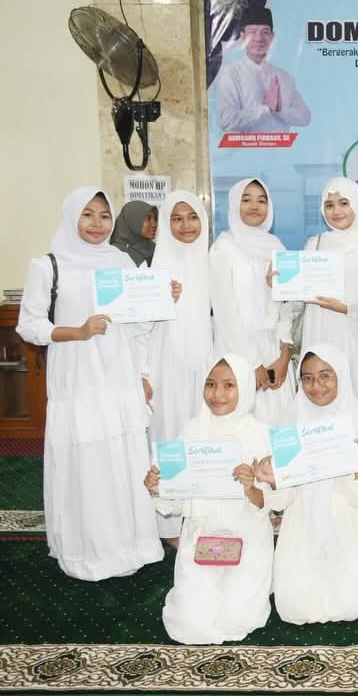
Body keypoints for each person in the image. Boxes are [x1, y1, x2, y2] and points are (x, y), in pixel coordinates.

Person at [16, 187, 163, 581]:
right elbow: (30, 326)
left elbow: (139, 326)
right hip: (77, 377)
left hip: (120, 376)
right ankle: (88, 551)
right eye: (87, 214)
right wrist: (78, 332)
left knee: (122, 457)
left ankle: (129, 546)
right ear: (71, 216)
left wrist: (144, 373)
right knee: (87, 459)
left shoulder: (120, 261)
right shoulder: (47, 266)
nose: (97, 224)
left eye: (104, 215)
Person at [144, 355, 274, 644]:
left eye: (229, 385)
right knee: (190, 624)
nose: (217, 394)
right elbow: (175, 500)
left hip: (247, 536)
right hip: (200, 536)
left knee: (237, 620)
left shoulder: (260, 434)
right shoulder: (192, 430)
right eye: (210, 384)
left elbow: (270, 502)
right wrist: (158, 487)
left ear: (245, 388)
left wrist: (250, 488)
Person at [256, 345, 358, 624]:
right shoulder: (289, 427)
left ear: (342, 377)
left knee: (352, 599)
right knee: (296, 605)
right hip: (301, 524)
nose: (316, 386)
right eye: (308, 378)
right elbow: (283, 502)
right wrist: (275, 481)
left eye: (326, 376)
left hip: (347, 525)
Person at [146, 192, 214, 544]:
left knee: (203, 438)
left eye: (193, 217)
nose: (186, 225)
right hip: (166, 367)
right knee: (170, 435)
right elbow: (137, 329)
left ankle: (202, 515)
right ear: (165, 223)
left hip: (206, 366)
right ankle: (169, 526)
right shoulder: (153, 269)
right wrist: (159, 300)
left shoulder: (212, 263)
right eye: (177, 218)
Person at [210, 178, 295, 425]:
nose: (254, 206)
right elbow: (225, 314)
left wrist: (284, 357)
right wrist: (254, 364)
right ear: (234, 204)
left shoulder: (277, 248)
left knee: (279, 429)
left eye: (261, 200)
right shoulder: (223, 249)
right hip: (238, 351)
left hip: (275, 353)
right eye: (246, 200)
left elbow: (288, 309)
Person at [302, 178, 358, 418]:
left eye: (344, 203)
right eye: (329, 205)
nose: (336, 211)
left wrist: (347, 308)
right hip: (320, 332)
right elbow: (300, 294)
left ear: (356, 204)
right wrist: (279, 283)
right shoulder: (314, 244)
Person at [214, 7, 311, 133]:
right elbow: (226, 121)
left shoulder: (284, 76)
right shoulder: (232, 74)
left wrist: (279, 110)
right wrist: (264, 108)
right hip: (245, 146)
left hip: (281, 146)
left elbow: (305, 117)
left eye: (265, 32)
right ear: (243, 36)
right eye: (252, 32)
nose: (259, 38)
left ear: (272, 37)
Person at [110, 200, 157, 267]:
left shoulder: (155, 250)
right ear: (132, 220)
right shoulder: (113, 252)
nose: (154, 224)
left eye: (155, 219)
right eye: (148, 219)